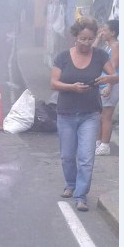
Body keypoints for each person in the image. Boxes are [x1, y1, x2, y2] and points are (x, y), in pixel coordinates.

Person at [50, 16, 118, 212]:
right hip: (66, 114)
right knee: (67, 156)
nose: (86, 43)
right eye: (83, 39)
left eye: (90, 39)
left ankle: (81, 195)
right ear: (75, 37)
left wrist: (108, 79)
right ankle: (70, 185)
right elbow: (53, 83)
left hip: (90, 114)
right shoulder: (62, 57)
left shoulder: (99, 56)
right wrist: (71, 87)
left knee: (86, 158)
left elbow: (114, 76)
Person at [93, 20, 119, 156]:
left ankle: (105, 145)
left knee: (106, 116)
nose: (103, 32)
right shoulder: (107, 46)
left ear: (113, 33)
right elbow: (92, 51)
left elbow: (114, 69)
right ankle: (98, 141)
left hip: (111, 85)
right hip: (103, 83)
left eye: (105, 30)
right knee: (99, 115)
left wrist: (109, 85)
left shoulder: (115, 46)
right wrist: (98, 37)